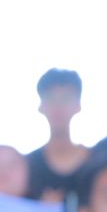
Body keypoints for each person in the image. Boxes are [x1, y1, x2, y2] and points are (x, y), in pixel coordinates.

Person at [24, 68, 88, 203]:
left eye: (65, 98)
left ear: (78, 105)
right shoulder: (26, 167)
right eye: (51, 99)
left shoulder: (96, 162)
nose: (58, 107)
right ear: (41, 106)